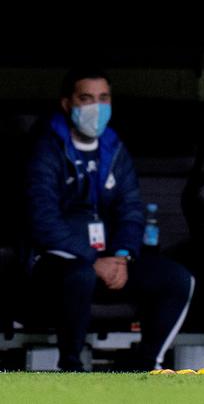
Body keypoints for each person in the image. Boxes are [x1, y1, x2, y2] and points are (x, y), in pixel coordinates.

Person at [26, 68, 194, 371]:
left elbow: (131, 209)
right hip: (56, 264)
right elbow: (43, 220)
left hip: (110, 261)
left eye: (104, 98)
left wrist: (122, 256)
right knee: (80, 274)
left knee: (177, 279)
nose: (96, 107)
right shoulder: (46, 149)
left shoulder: (114, 149)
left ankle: (146, 367)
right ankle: (71, 367)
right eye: (86, 98)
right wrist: (91, 258)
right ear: (68, 104)